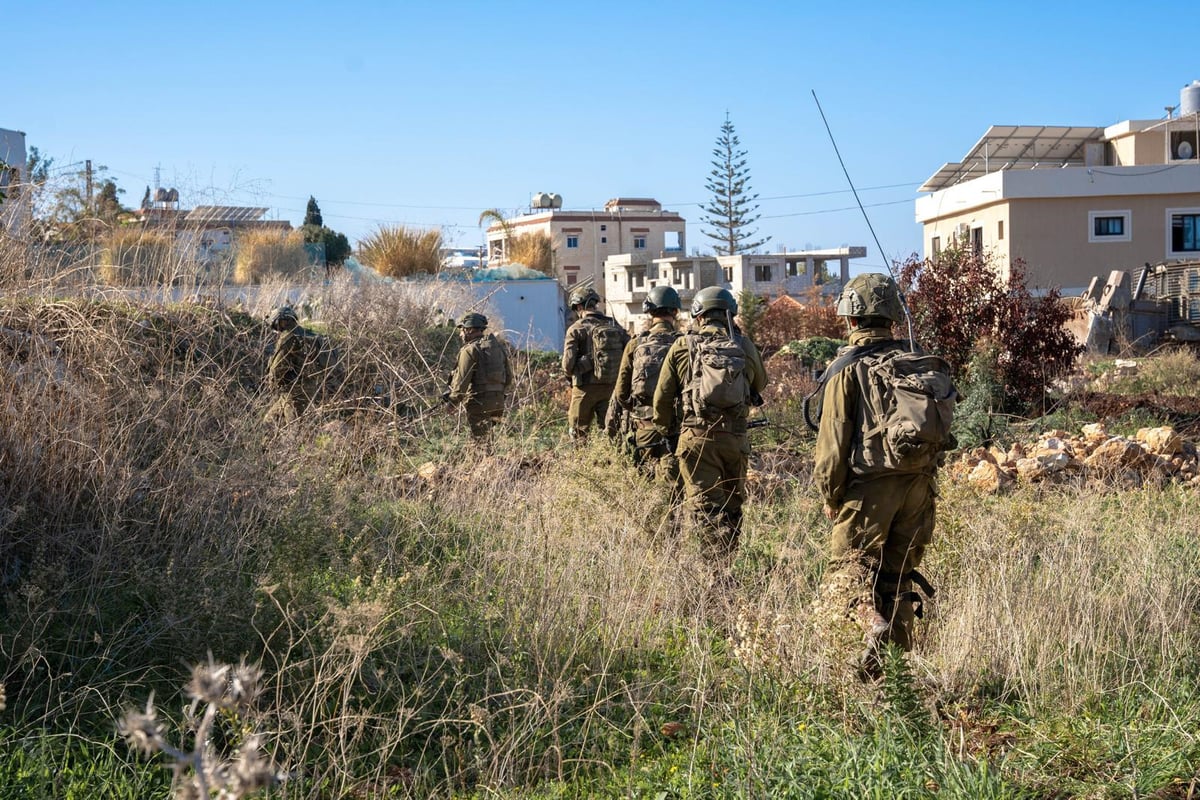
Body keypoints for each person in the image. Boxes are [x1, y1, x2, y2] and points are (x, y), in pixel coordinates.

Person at [812, 272, 953, 676]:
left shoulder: (845, 369)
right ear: (893, 315)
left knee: (848, 577)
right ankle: (897, 674)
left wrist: (831, 496)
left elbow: (832, 446)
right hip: (920, 489)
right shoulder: (917, 361)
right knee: (897, 580)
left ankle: (870, 628)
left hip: (870, 491)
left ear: (851, 318)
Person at [652, 286, 767, 572]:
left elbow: (663, 397)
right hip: (734, 440)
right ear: (730, 313)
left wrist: (668, 432)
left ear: (698, 315)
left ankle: (709, 573)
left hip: (696, 438)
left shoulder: (682, 346)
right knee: (732, 506)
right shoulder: (743, 344)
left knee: (704, 507)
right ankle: (726, 565)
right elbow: (760, 384)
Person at [605, 286, 684, 485]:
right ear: (675, 311)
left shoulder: (635, 344)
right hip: (676, 430)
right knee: (674, 488)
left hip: (643, 427)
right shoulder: (684, 344)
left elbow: (621, 392)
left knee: (645, 485)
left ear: (649, 311)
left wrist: (639, 411)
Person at [561, 287, 630, 440]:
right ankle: (611, 462)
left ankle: (581, 462)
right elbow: (629, 352)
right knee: (611, 433)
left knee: (578, 433)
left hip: (584, 389)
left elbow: (567, 365)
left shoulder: (576, 329)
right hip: (611, 388)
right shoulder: (614, 325)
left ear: (579, 307)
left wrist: (577, 371)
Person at [446, 312, 512, 440]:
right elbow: (508, 378)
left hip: (479, 403)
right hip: (498, 402)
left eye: (462, 330)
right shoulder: (497, 347)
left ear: (469, 330)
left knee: (480, 444)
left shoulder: (469, 350)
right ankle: (491, 459)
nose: (460, 334)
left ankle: (486, 460)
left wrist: (453, 402)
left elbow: (462, 382)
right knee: (488, 440)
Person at [264, 305, 326, 424]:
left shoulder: (288, 338)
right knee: (268, 422)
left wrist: (272, 385)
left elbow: (277, 368)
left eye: (277, 324)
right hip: (308, 387)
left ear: (282, 322)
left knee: (294, 430)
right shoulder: (308, 334)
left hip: (293, 393)